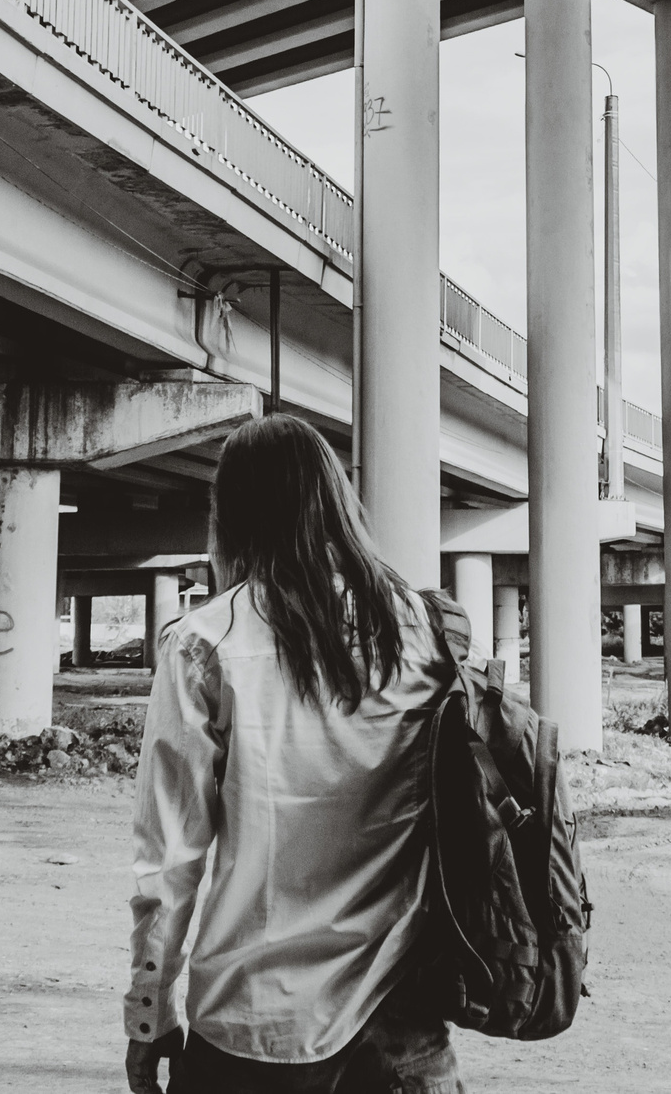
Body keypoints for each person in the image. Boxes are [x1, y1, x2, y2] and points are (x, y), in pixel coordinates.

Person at [124, 414, 463, 1093]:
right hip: (402, 1020)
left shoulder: (204, 642)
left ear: (234, 514)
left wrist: (148, 1012)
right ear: (335, 498)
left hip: (255, 1022)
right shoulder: (427, 628)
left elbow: (172, 857)